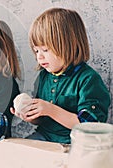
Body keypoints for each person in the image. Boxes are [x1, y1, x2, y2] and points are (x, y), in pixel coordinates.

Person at [11, 8, 111, 143]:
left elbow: (89, 126)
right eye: (36, 50)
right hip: (45, 136)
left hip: (74, 142)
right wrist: (31, 116)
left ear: (68, 45)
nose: (39, 56)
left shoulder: (88, 80)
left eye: (45, 50)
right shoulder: (44, 76)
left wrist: (50, 109)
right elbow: (42, 119)